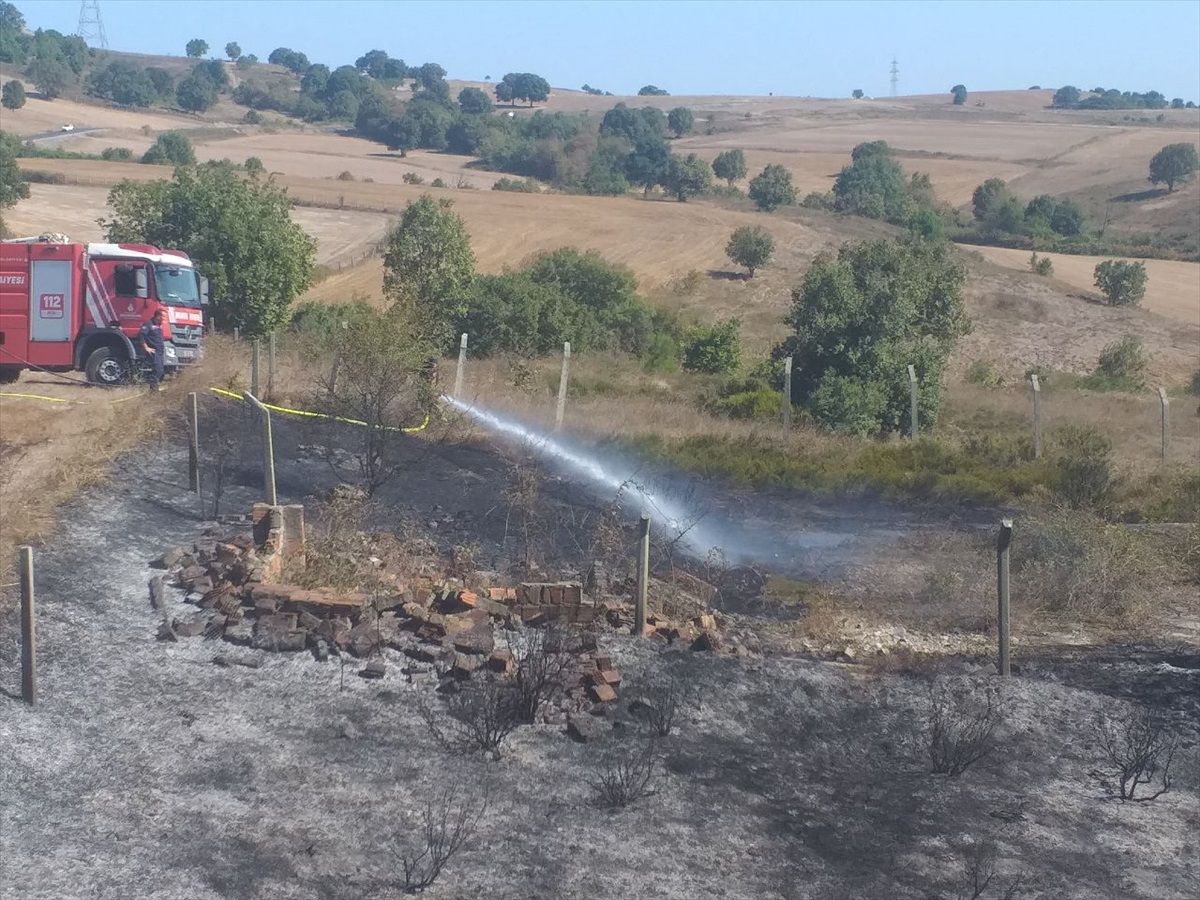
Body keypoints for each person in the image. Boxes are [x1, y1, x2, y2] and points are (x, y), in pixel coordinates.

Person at [138, 309, 166, 391]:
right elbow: (141, 336)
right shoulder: (148, 324)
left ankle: (155, 386)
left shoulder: (159, 325)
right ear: (158, 316)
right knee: (157, 370)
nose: (164, 318)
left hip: (160, 352)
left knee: (161, 371)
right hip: (154, 351)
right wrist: (146, 348)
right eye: (163, 316)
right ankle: (153, 390)